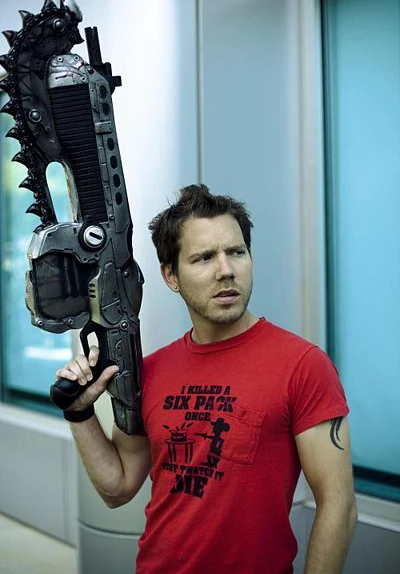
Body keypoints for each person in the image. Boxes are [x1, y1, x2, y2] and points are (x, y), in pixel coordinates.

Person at [56, 184, 357, 574]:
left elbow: (338, 506)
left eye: (236, 252)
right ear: (171, 275)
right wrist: (80, 413)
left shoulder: (303, 366)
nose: (226, 270)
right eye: (204, 258)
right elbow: (118, 487)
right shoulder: (151, 370)